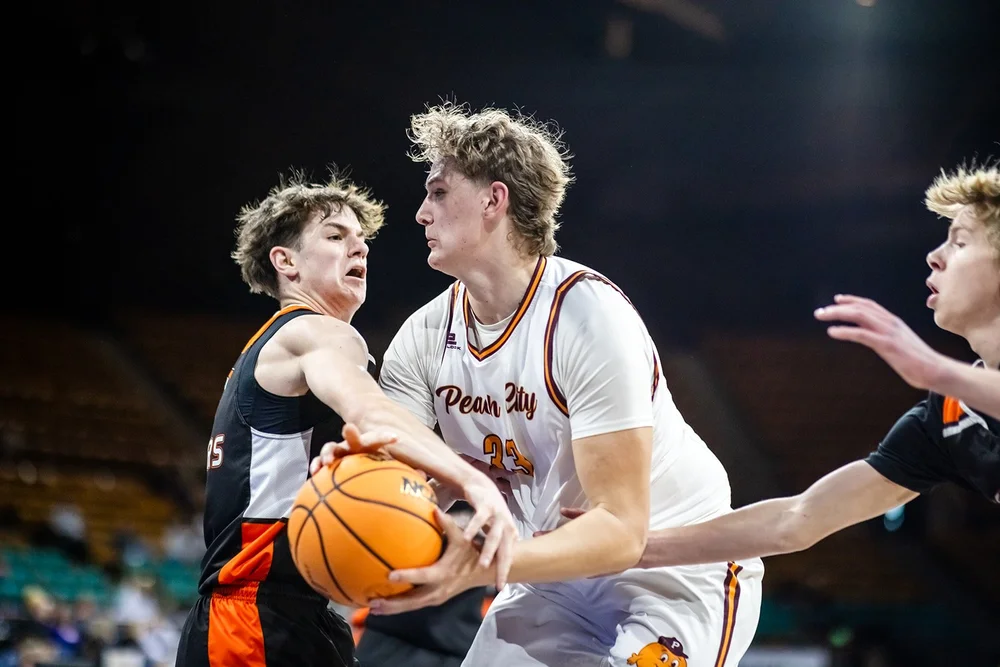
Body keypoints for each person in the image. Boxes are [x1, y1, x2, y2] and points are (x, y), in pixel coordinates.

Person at [317, 103, 764, 666]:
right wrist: (356, 485)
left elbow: (621, 532)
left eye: (437, 192)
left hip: (672, 566)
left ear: (493, 200)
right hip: (554, 571)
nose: (420, 213)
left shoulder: (588, 316)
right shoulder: (424, 337)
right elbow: (417, 486)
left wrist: (484, 565)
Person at [561, 159, 1000, 568]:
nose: (935, 255)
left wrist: (934, 368)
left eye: (959, 242)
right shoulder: (948, 418)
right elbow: (797, 519)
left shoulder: (946, 386)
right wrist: (629, 549)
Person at [175, 172, 516, 667]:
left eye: (362, 240)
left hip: (277, 615)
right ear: (284, 261)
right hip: (257, 621)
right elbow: (372, 413)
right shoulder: (315, 332)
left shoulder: (271, 347)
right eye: (336, 236)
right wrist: (474, 480)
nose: (359, 248)